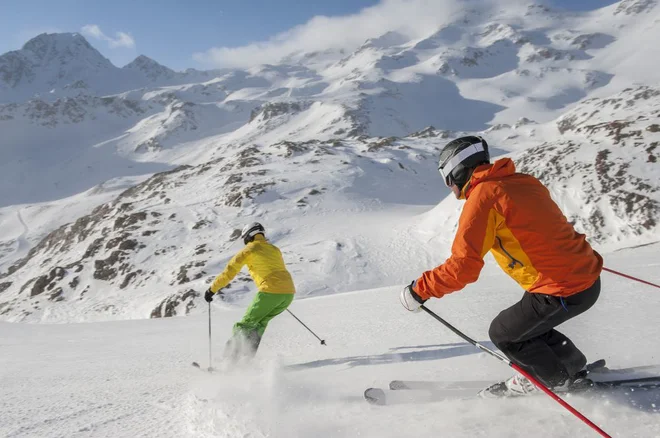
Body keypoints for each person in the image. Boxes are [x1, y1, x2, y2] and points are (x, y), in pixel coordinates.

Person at [399, 135, 602, 397]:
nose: (449, 186)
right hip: (585, 278)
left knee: (504, 333)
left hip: (561, 289)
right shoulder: (523, 182)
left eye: (447, 178)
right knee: (526, 326)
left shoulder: (484, 197)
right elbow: (546, 229)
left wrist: (419, 290)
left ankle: (551, 379)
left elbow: (464, 266)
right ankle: (571, 367)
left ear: (459, 170)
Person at [205, 222, 295, 361]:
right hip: (288, 294)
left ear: (248, 236)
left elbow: (229, 272)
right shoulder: (274, 249)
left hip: (270, 292)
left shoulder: (249, 249)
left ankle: (229, 363)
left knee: (245, 325)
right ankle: (245, 361)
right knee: (259, 325)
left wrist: (212, 290)